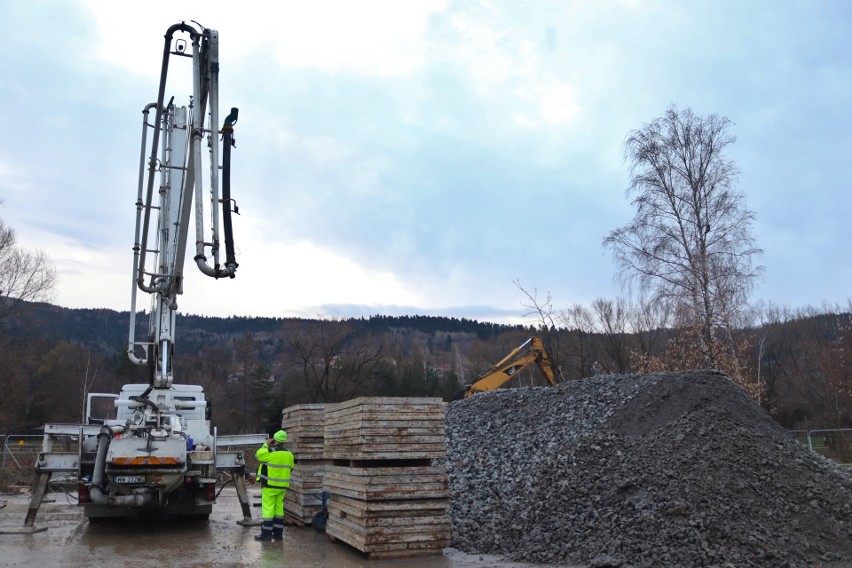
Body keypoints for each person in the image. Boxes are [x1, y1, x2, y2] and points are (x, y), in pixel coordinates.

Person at [254, 429, 295, 541]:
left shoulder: (270, 453)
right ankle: (278, 534)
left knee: (268, 509)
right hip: (282, 487)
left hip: (269, 486)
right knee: (279, 509)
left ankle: (266, 534)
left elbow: (257, 456)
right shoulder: (289, 455)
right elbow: (291, 468)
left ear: (274, 440)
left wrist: (265, 444)